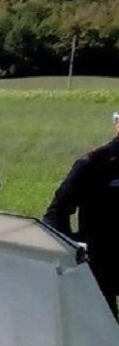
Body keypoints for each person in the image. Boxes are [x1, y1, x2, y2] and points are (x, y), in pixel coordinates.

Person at [42, 112, 119, 319]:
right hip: (103, 257)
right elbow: (56, 212)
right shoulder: (94, 163)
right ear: (117, 125)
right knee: (104, 326)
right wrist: (71, 247)